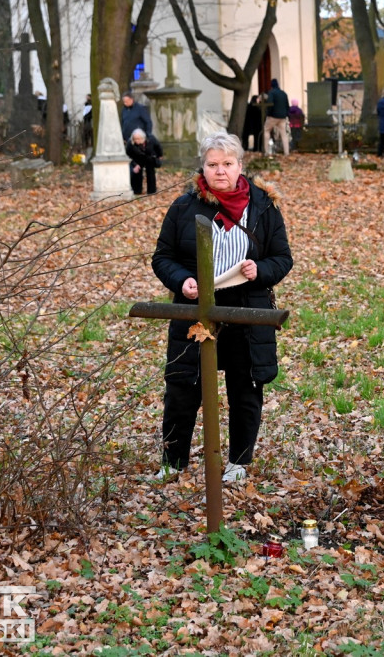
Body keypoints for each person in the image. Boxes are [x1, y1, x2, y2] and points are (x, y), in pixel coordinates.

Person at [151, 131, 293, 482]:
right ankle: (173, 463)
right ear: (203, 167)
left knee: (246, 389)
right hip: (195, 308)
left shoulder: (263, 205)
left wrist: (260, 270)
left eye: (227, 164)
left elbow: (282, 258)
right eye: (213, 164)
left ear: (240, 166)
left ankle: (238, 463)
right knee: (183, 388)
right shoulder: (185, 207)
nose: (220, 171)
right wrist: (182, 281)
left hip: (247, 308)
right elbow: (163, 257)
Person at [125, 128, 163, 195]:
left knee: (150, 171)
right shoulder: (130, 144)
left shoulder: (151, 139)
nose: (137, 141)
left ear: (143, 138)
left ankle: (152, 191)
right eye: (135, 139)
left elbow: (158, 147)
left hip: (149, 157)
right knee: (137, 172)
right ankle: (137, 191)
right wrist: (134, 164)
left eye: (138, 139)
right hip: (137, 158)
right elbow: (128, 156)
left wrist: (160, 156)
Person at [263, 79, 290, 155]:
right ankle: (286, 152)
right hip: (282, 117)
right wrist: (286, 114)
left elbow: (270, 104)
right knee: (284, 134)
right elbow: (287, 106)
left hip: (273, 116)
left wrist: (268, 113)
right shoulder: (284, 93)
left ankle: (266, 151)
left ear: (271, 85)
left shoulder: (271, 93)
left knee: (266, 130)